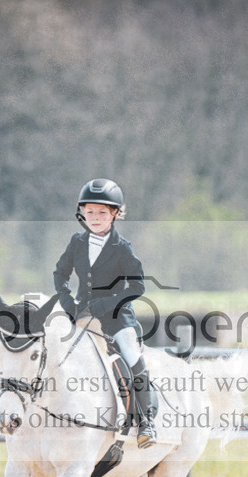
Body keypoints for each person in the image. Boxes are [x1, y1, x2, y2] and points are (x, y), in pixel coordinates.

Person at [54, 178, 157, 448]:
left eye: (102, 212)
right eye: (90, 212)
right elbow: (60, 274)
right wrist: (66, 302)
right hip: (81, 314)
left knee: (133, 358)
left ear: (115, 213)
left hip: (117, 318)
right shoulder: (77, 242)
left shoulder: (122, 248)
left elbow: (138, 286)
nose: (95, 217)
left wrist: (107, 302)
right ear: (82, 213)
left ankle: (147, 422)